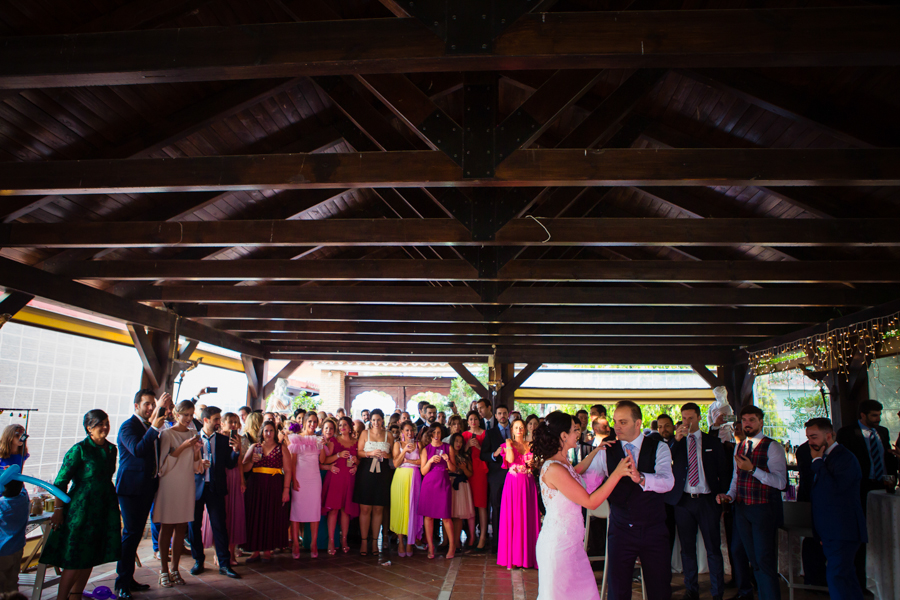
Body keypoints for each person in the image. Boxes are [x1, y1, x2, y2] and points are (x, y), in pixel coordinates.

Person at [533, 411, 634, 600]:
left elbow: (576, 471)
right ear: (563, 436)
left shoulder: (562, 463)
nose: (577, 433)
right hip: (559, 548)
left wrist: (596, 451)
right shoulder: (554, 468)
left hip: (572, 545)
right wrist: (617, 474)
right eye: (574, 430)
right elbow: (590, 502)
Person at [583, 401, 675, 600]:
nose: (616, 427)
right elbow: (587, 483)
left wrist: (641, 478)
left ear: (638, 423)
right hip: (621, 528)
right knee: (617, 590)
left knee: (659, 589)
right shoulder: (607, 449)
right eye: (615, 422)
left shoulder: (659, 447)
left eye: (623, 422)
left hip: (654, 529)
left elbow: (668, 482)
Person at [41, 410, 121, 600]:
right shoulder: (79, 450)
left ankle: (76, 595)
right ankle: (62, 597)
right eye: (100, 424)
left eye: (106, 423)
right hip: (81, 509)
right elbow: (60, 482)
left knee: (91, 554)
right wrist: (59, 509)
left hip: (103, 507)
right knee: (75, 557)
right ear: (89, 428)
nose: (105, 427)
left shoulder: (111, 449)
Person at [716, 405, 787, 600]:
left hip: (763, 509)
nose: (747, 424)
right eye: (744, 420)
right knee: (752, 560)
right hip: (741, 509)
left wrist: (753, 469)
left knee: (765, 561)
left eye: (752, 420)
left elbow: (781, 483)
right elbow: (735, 479)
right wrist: (729, 495)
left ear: (761, 422)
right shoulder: (739, 446)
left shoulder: (773, 446)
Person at [665, 403, 730, 600]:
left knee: (713, 548)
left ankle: (717, 592)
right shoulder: (676, 443)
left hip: (707, 500)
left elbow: (723, 471)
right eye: (684, 418)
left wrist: (722, 494)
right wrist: (676, 441)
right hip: (683, 501)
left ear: (699, 418)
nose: (687, 422)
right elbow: (665, 462)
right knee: (687, 549)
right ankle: (691, 590)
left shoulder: (712, 441)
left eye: (691, 418)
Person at [836, 398, 899, 591]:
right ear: (862, 415)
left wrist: (893, 472)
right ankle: (861, 580)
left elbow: (885, 456)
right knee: (861, 533)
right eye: (874, 415)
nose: (878, 419)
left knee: (882, 530)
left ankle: (881, 576)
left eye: (879, 415)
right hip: (860, 488)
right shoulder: (847, 433)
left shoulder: (882, 432)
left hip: (881, 485)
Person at [115, 390, 169, 599]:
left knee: (136, 534)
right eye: (147, 404)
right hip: (130, 489)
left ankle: (129, 578)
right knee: (130, 535)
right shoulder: (128, 426)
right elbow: (138, 449)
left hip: (147, 487)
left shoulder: (148, 426)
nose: (150, 408)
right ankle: (121, 583)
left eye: (152, 404)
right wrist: (155, 427)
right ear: (136, 406)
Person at [806, 417, 867, 600]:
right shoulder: (825, 457)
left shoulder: (845, 458)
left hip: (843, 529)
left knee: (837, 577)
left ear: (830, 435)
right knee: (845, 578)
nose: (811, 442)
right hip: (830, 531)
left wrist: (817, 463)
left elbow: (835, 490)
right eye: (809, 437)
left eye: (814, 437)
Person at [153, 400, 202, 588]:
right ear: (177, 413)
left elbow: (197, 467)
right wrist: (183, 447)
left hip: (187, 483)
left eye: (191, 415)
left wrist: (196, 452)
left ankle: (175, 569)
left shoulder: (193, 434)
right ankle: (163, 570)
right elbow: (163, 467)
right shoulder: (167, 434)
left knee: (182, 526)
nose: (189, 419)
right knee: (167, 527)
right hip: (170, 484)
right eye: (186, 415)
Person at [188, 406, 241, 579]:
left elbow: (230, 464)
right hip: (196, 488)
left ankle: (224, 564)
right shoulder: (193, 439)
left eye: (219, 419)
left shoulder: (223, 440)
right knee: (194, 526)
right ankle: (198, 561)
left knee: (220, 526)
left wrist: (236, 451)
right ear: (206, 420)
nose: (219, 423)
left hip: (215, 488)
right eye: (216, 419)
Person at [200, 412, 246, 567]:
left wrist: (242, 479)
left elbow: (238, 461)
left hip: (233, 478)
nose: (233, 425)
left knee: (233, 515)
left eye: (235, 422)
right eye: (229, 421)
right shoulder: (216, 438)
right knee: (218, 518)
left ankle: (231, 553)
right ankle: (217, 553)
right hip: (218, 478)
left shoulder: (236, 438)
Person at [242, 420, 292, 563]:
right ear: (261, 433)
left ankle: (268, 550)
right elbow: (244, 468)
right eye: (266, 431)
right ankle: (255, 550)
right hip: (256, 485)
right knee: (256, 516)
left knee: (271, 516)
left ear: (275, 433)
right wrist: (252, 460)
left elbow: (288, 470)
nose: (269, 433)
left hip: (274, 484)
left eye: (271, 431)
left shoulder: (281, 448)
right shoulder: (254, 446)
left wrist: (286, 490)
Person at [497, 419, 540, 569]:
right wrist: (509, 445)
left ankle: (527, 557)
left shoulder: (531, 445)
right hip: (513, 484)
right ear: (512, 430)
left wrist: (534, 465)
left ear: (525, 429)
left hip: (528, 484)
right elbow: (509, 460)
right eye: (516, 427)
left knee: (527, 517)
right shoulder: (508, 445)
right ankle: (513, 558)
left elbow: (535, 465)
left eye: (521, 427)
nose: (519, 429)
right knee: (513, 517)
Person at [354, 409, 394, 555]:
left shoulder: (388, 435)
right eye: (373, 420)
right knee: (365, 509)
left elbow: (393, 454)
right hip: (366, 472)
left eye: (378, 420)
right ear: (370, 420)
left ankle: (375, 542)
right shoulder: (365, 434)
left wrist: (386, 454)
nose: (376, 423)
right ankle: (364, 542)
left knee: (378, 509)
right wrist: (370, 453)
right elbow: (358, 452)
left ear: (383, 420)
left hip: (382, 473)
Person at [288, 412, 324, 559]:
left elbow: (322, 460)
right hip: (300, 477)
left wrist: (322, 445)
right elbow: (293, 461)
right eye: (310, 421)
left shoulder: (318, 439)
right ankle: (296, 543)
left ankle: (313, 543)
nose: (312, 424)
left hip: (314, 478)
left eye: (315, 422)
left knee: (315, 510)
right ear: (303, 422)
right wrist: (293, 479)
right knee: (296, 510)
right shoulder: (297, 438)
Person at [321, 416, 359, 554]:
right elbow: (325, 460)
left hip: (349, 478)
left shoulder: (356, 442)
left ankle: (344, 539)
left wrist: (357, 465)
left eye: (344, 425)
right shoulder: (333, 441)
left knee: (345, 510)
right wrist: (338, 455)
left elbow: (360, 461)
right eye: (340, 425)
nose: (342, 427)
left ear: (350, 427)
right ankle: (331, 541)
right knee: (334, 509)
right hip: (336, 477)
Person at [419, 423, 456, 559]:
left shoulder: (448, 447)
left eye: (439, 433)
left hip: (443, 483)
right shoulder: (425, 450)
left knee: (446, 517)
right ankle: (431, 546)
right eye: (434, 433)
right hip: (429, 484)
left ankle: (452, 546)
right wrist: (429, 461)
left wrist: (447, 461)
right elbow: (423, 471)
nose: (436, 436)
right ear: (430, 434)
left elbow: (453, 469)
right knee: (428, 516)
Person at [481, 404, 511, 553]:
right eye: (499, 413)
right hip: (496, 477)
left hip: (513, 475)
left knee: (512, 508)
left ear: (508, 415)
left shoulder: (515, 431)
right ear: (496, 415)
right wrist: (494, 455)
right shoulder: (490, 433)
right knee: (497, 508)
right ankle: (497, 542)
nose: (502, 416)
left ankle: (512, 540)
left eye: (505, 413)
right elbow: (483, 454)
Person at [390, 421, 423, 557]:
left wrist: (409, 461)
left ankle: (410, 543)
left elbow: (422, 462)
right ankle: (401, 542)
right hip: (400, 479)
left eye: (412, 430)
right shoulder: (397, 445)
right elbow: (396, 463)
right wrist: (404, 450)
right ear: (402, 432)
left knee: (412, 509)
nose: (410, 433)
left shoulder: (419, 445)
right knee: (400, 508)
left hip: (415, 478)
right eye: (407, 430)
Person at [462, 410, 489, 552]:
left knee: (481, 504)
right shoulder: (464, 435)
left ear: (479, 420)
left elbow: (489, 452)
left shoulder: (485, 434)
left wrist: (479, 447)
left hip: (481, 470)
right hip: (468, 469)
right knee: (469, 504)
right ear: (467, 421)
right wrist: (467, 447)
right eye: (471, 419)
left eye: (475, 419)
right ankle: (471, 536)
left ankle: (483, 536)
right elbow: (460, 452)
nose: (473, 422)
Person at [449, 433, 476, 552]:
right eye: (456, 441)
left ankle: (456, 542)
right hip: (449, 484)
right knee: (448, 514)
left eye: (460, 442)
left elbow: (470, 473)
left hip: (461, 486)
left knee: (458, 515)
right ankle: (448, 542)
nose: (458, 444)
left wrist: (464, 469)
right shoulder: (448, 455)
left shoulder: (465, 456)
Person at [0, 480, 28, 593]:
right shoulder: (24, 499)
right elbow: (23, 488)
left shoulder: (2, 504)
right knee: (12, 582)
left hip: (2, 551)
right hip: (17, 548)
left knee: (1, 584)